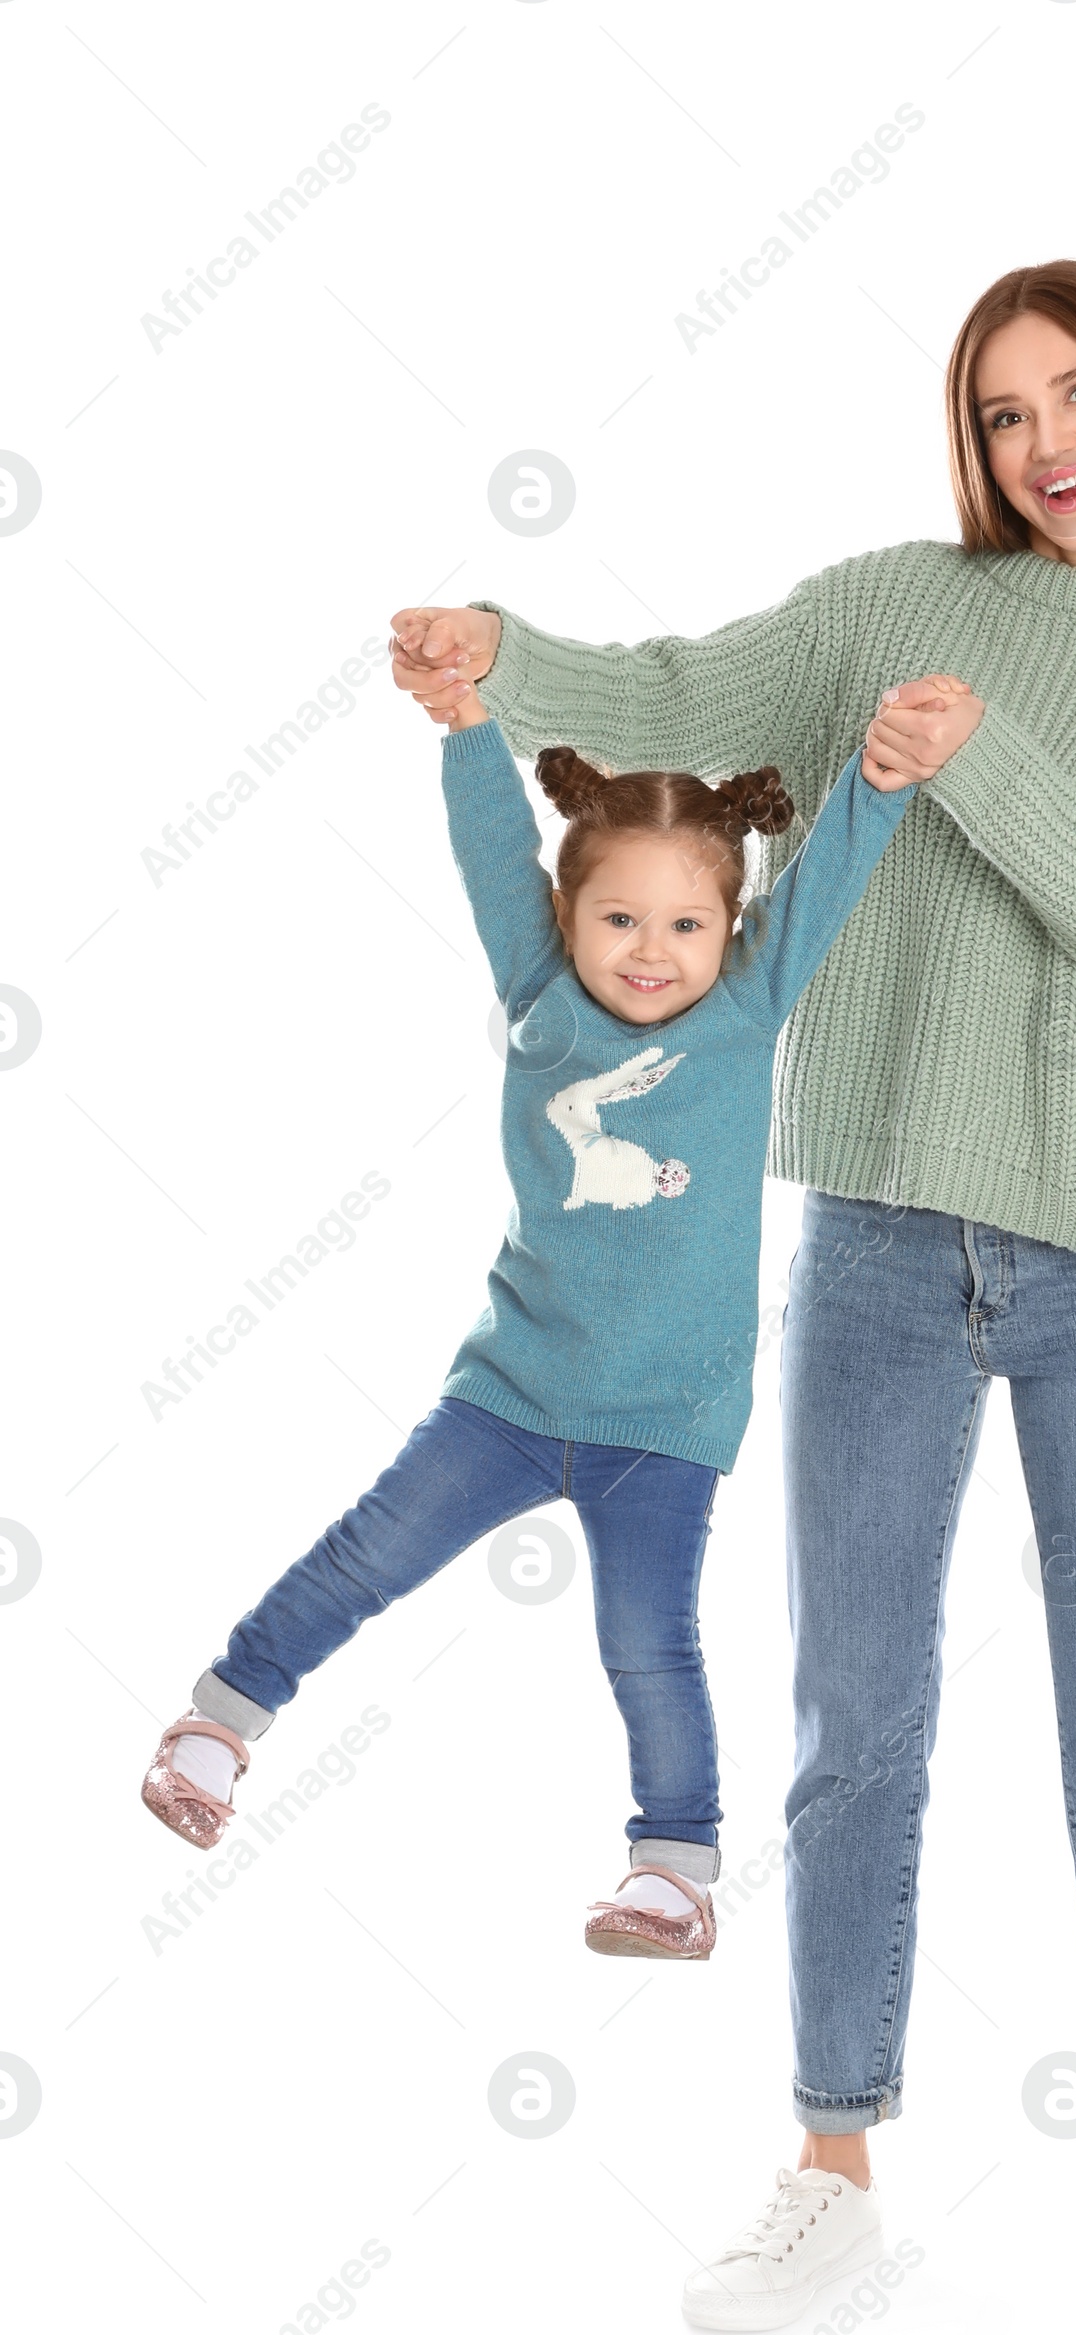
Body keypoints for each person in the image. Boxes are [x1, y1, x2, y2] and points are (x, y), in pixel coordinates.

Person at [389, 258, 1076, 2335]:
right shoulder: (895, 601)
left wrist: (968, 769)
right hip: (881, 1238)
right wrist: (501, 665)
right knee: (850, 1725)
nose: (1041, 442)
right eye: (998, 413)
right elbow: (689, 684)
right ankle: (830, 2156)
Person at [140, 672, 919, 1963]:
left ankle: (672, 1870)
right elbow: (493, 847)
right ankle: (219, 1723)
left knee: (648, 1644)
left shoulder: (746, 1008)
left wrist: (885, 777)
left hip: (667, 1426)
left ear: (735, 928)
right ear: (566, 915)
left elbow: (828, 873)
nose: (650, 950)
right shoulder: (541, 991)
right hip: (509, 1398)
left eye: (684, 923)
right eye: (617, 916)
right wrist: (464, 728)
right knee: (363, 1558)